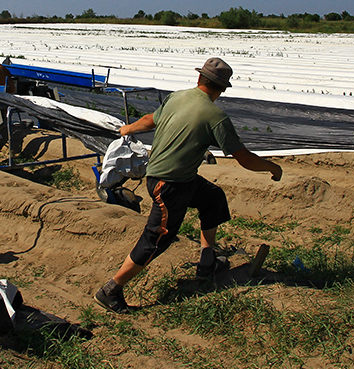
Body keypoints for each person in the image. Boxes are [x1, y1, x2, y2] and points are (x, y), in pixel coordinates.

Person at [94, 57, 282, 314]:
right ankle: (111, 290)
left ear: (199, 79)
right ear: (222, 89)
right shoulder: (215, 116)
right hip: (168, 186)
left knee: (212, 197)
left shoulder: (177, 97)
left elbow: (151, 119)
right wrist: (273, 167)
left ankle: (207, 262)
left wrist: (128, 128)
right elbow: (244, 158)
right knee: (157, 240)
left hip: (179, 180)